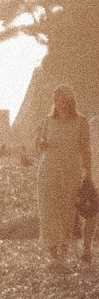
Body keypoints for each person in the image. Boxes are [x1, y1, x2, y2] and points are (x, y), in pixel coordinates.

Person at [37, 88, 94, 267]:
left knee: (67, 211)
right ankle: (52, 251)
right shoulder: (48, 121)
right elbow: (41, 145)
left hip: (71, 170)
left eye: (65, 100)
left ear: (71, 101)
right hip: (48, 169)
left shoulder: (81, 122)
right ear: (55, 101)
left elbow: (86, 150)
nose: (61, 103)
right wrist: (40, 143)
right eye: (58, 99)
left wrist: (89, 175)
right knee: (48, 209)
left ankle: (63, 249)